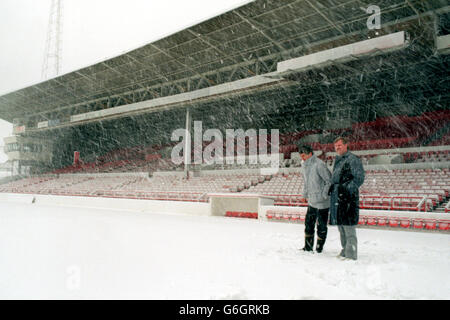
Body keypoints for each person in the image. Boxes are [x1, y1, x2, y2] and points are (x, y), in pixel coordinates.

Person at [329, 137, 365, 260]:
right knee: (341, 227)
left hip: (348, 199)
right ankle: (345, 250)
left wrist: (345, 190)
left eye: (339, 145)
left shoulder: (353, 159)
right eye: (336, 146)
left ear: (346, 145)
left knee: (349, 228)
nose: (337, 147)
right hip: (338, 199)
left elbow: (358, 178)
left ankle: (351, 254)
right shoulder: (338, 160)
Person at [298, 145, 332, 253]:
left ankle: (319, 248)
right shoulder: (304, 166)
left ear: (310, 154)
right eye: (301, 156)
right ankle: (308, 247)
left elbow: (329, 181)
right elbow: (306, 183)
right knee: (308, 224)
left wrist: (323, 195)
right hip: (312, 202)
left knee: (321, 226)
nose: (302, 158)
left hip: (323, 203)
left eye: (304, 155)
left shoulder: (319, 164)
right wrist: (304, 195)